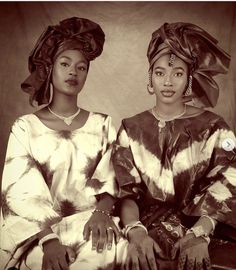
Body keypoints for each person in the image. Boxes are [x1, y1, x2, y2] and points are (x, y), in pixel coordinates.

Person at [112, 22, 236, 270]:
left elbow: (229, 183)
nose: (167, 82)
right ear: (150, 77)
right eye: (160, 73)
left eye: (177, 73)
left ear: (189, 78)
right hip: (144, 228)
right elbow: (127, 192)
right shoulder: (131, 127)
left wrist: (199, 233)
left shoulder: (213, 126)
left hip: (204, 228)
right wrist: (136, 231)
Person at [0, 17, 120, 270]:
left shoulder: (103, 124)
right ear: (49, 68)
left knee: (104, 258)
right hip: (38, 233)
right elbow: (20, 193)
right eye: (65, 64)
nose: (73, 72)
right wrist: (49, 240)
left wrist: (102, 213)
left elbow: (113, 179)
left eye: (81, 67)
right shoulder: (25, 127)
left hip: (92, 224)